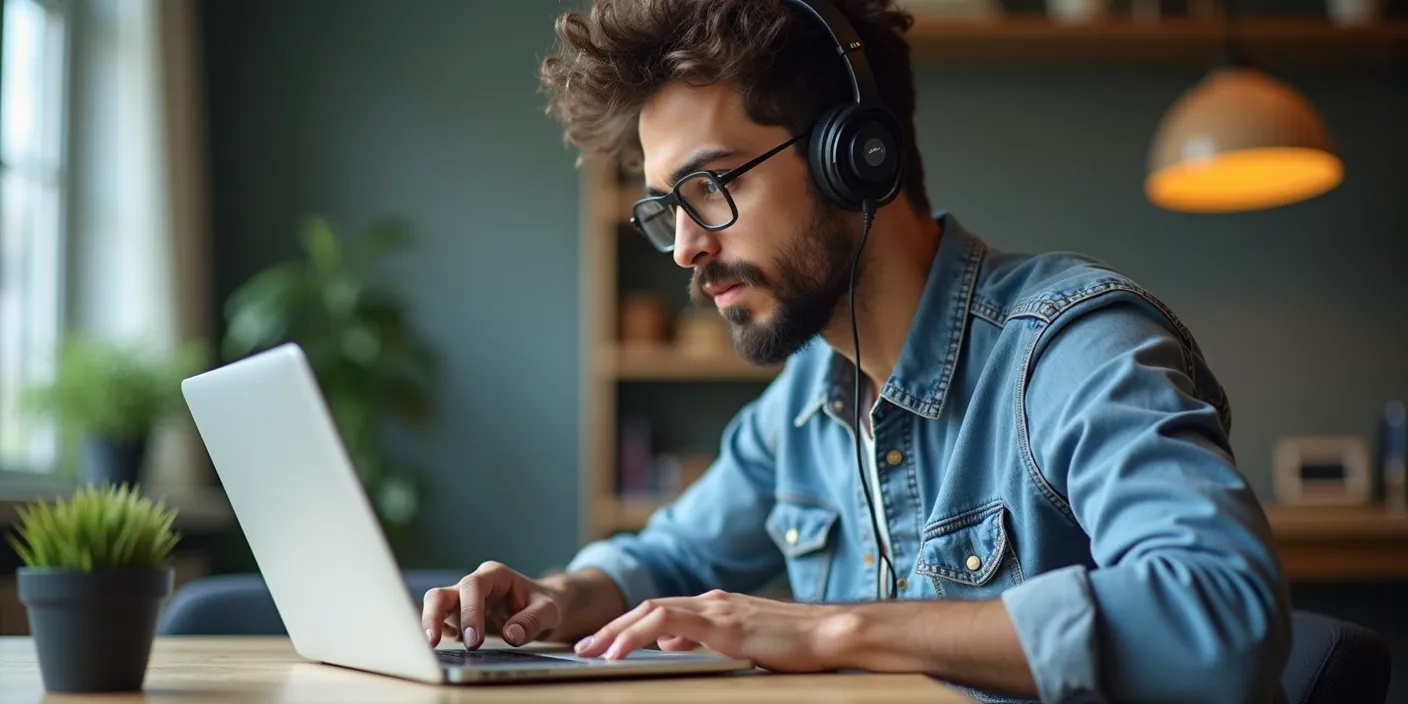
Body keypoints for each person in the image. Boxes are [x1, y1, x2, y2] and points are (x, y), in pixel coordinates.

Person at [421, 1, 1292, 701]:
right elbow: (668, 560)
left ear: (856, 156)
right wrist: (560, 598)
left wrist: (833, 630)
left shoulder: (1073, 350)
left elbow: (1221, 616)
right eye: (665, 207)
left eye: (711, 186)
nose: (684, 245)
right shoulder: (802, 407)